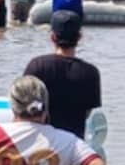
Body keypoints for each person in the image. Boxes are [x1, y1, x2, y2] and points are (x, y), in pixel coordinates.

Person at [24, 11, 101, 141]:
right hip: (74, 146)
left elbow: (23, 107)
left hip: (41, 145)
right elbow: (87, 113)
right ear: (79, 37)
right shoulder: (90, 73)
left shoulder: (37, 66)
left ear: (53, 37)